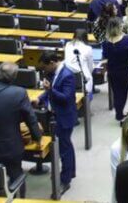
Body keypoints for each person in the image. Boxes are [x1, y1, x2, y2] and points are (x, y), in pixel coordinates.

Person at [35, 51, 77, 193]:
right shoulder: (55, 73)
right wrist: (40, 98)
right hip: (55, 115)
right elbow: (50, 92)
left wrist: (50, 89)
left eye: (45, 67)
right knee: (66, 146)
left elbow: (65, 98)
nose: (44, 70)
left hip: (64, 117)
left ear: (52, 63)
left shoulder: (67, 75)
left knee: (64, 149)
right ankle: (69, 172)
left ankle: (65, 181)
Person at [102, 17, 128, 120]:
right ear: (119, 27)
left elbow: (105, 57)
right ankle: (119, 113)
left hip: (112, 71)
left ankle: (119, 113)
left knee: (116, 93)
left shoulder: (106, 42)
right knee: (123, 92)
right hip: (125, 71)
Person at [65, 29, 96, 98]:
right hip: (82, 79)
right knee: (89, 78)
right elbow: (90, 67)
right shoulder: (88, 48)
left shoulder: (67, 45)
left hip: (68, 78)